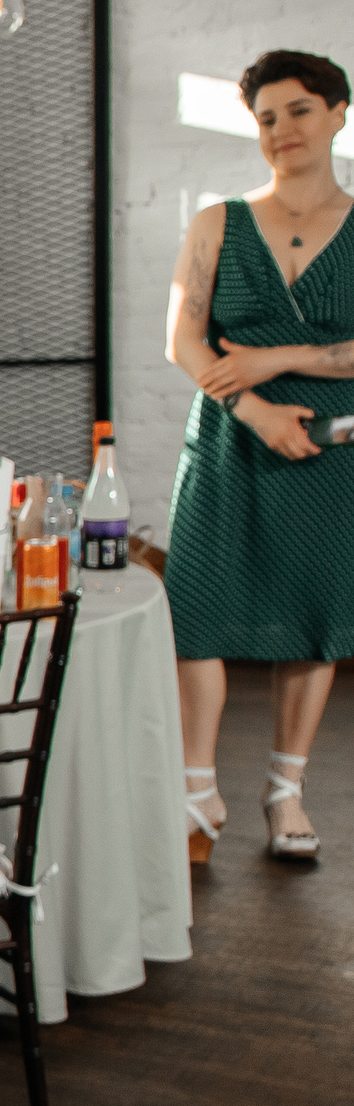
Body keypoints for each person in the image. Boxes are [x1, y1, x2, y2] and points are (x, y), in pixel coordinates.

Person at [165, 49, 354, 863]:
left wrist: (283, 362)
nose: (282, 130)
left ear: (339, 113)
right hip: (226, 440)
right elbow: (181, 337)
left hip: (327, 448)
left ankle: (286, 790)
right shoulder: (218, 222)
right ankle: (196, 788)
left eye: (299, 110)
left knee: (313, 623)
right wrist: (251, 406)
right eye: (267, 117)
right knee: (196, 613)